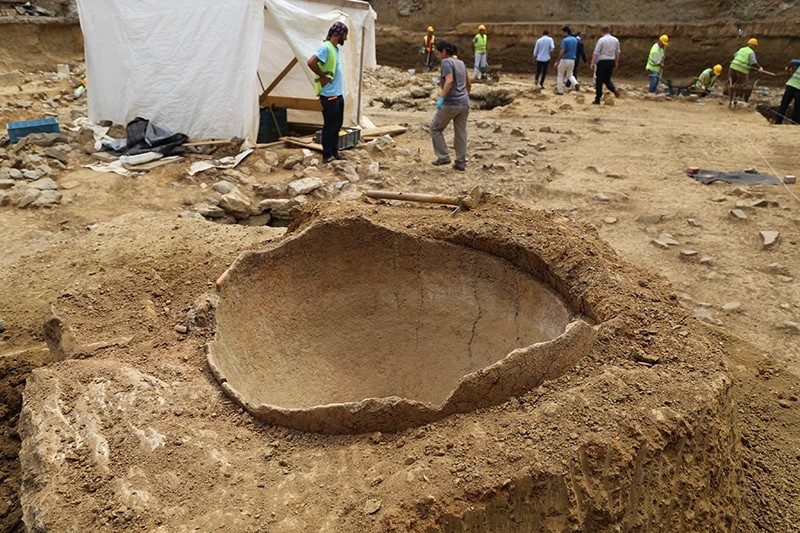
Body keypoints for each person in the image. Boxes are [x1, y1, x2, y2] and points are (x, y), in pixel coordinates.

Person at [306, 21, 348, 164]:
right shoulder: (326, 47)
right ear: (339, 34)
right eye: (345, 35)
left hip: (337, 94)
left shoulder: (335, 48)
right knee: (330, 126)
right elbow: (311, 62)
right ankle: (327, 155)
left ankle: (335, 152)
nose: (346, 38)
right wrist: (323, 76)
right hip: (329, 95)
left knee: (337, 125)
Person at [430, 40, 471, 171]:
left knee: (435, 128)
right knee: (461, 133)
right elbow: (468, 82)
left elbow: (449, 80)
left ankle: (443, 156)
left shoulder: (446, 62)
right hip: (464, 103)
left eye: (438, 53)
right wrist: (465, 95)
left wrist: (441, 98)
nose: (437, 56)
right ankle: (461, 162)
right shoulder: (461, 63)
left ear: (444, 52)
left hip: (451, 103)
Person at [591, 26, 620, 105]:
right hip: (611, 61)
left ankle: (598, 98)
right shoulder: (615, 40)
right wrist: (616, 62)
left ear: (602, 32)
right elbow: (617, 52)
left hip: (603, 61)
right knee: (607, 79)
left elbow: (596, 52)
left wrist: (592, 63)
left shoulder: (601, 40)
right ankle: (614, 90)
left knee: (599, 80)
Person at [555, 26, 580, 95]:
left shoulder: (565, 40)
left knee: (560, 75)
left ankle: (560, 91)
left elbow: (562, 50)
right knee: (570, 74)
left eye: (563, 32)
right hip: (572, 59)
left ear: (566, 32)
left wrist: (557, 60)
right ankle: (575, 83)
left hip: (564, 59)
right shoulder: (575, 40)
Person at [775, 58, 800, 125]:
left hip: (791, 86)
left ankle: (778, 121)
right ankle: (795, 123)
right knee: (797, 107)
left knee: (784, 104)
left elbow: (792, 61)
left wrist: (788, 68)